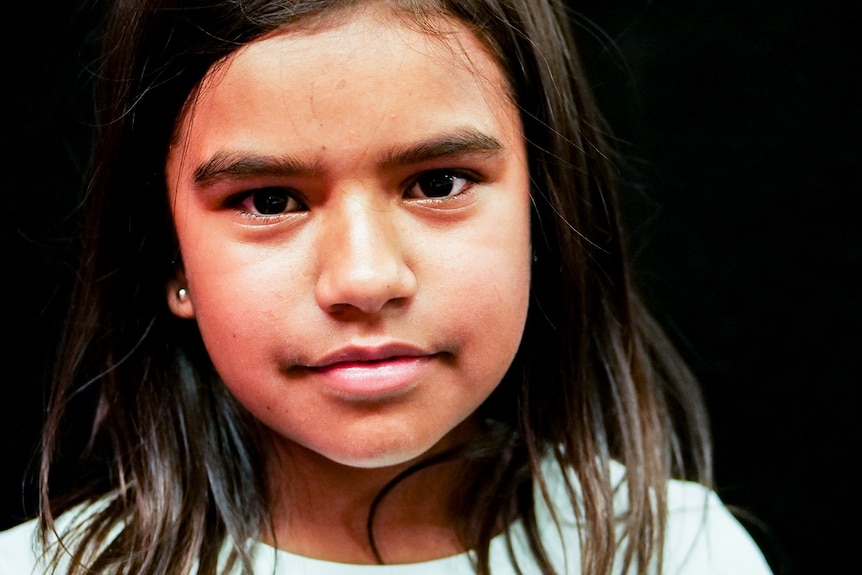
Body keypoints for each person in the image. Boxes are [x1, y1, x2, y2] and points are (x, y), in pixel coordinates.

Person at [0, 0, 774, 573]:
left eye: (438, 182)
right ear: (167, 255)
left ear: (542, 211)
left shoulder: (684, 552)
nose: (365, 279)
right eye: (270, 200)